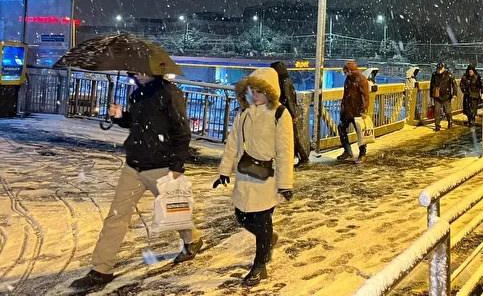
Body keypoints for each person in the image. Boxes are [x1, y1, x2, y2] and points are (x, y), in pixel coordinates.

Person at [70, 72, 203, 292]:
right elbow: (136, 123)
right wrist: (120, 116)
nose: (139, 75)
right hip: (134, 166)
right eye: (137, 71)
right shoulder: (138, 93)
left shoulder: (170, 94)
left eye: (144, 71)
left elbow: (182, 132)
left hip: (160, 166)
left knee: (173, 211)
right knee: (116, 216)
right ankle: (101, 269)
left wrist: (177, 167)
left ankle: (192, 238)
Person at [215, 67, 294, 286]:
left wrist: (285, 183)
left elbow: (285, 151)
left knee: (261, 220)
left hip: (267, 177)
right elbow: (232, 143)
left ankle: (259, 265)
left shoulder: (280, 114)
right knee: (241, 216)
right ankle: (268, 238)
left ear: (270, 92)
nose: (255, 95)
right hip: (245, 174)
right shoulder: (244, 113)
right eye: (252, 91)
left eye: (260, 91)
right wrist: (224, 170)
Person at [270, 61, 309, 167]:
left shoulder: (283, 82)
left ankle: (302, 157)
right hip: (286, 111)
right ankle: (301, 157)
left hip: (286, 112)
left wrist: (292, 114)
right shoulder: (286, 80)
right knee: (291, 136)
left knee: (292, 136)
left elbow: (288, 98)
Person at [337, 61, 370, 161]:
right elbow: (346, 95)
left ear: (350, 71)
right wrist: (343, 109)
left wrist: (363, 110)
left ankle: (362, 153)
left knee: (360, 132)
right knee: (341, 128)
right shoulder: (348, 79)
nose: (344, 74)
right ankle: (347, 151)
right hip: (348, 111)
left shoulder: (361, 80)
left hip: (357, 112)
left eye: (345, 72)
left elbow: (365, 97)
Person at [430, 62, 457, 131]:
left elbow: (454, 85)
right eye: (438, 69)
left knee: (448, 111)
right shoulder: (434, 75)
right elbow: (431, 85)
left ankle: (450, 122)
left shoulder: (449, 75)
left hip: (446, 96)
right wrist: (431, 96)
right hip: (437, 96)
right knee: (437, 111)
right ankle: (437, 125)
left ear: (444, 68)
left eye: (440, 69)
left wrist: (454, 94)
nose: (439, 70)